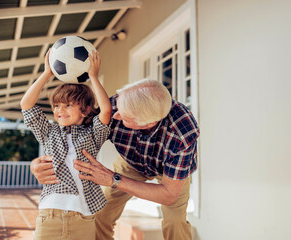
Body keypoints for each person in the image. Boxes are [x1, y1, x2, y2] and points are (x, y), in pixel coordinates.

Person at [31, 79, 200, 240]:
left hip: (171, 173)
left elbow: (169, 194)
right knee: (101, 214)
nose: (116, 116)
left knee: (175, 223)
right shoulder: (114, 107)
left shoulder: (182, 132)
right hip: (131, 163)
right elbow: (72, 135)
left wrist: (113, 179)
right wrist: (38, 164)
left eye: (125, 118)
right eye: (118, 108)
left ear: (148, 123)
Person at [21, 49, 112, 240]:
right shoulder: (49, 133)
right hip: (49, 215)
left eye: (68, 105)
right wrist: (46, 74)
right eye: (56, 106)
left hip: (83, 216)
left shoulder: (92, 134)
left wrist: (93, 77)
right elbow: (27, 105)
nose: (60, 110)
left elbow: (105, 111)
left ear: (86, 110)